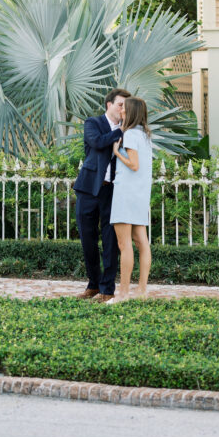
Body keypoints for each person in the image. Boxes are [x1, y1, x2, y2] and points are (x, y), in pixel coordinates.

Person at [72, 87, 131, 302]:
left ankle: (107, 289)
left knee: (110, 241)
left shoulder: (129, 130)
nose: (123, 109)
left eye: (126, 105)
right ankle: (93, 284)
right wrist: (120, 131)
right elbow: (97, 142)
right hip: (88, 189)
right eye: (120, 105)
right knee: (88, 240)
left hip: (112, 191)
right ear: (109, 105)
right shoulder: (93, 123)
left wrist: (126, 130)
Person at [108, 95, 153, 302]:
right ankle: (141, 290)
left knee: (124, 244)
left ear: (132, 112)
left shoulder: (131, 135)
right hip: (140, 194)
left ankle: (124, 293)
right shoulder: (144, 135)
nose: (122, 110)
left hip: (126, 193)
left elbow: (134, 165)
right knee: (141, 242)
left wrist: (117, 152)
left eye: (125, 108)